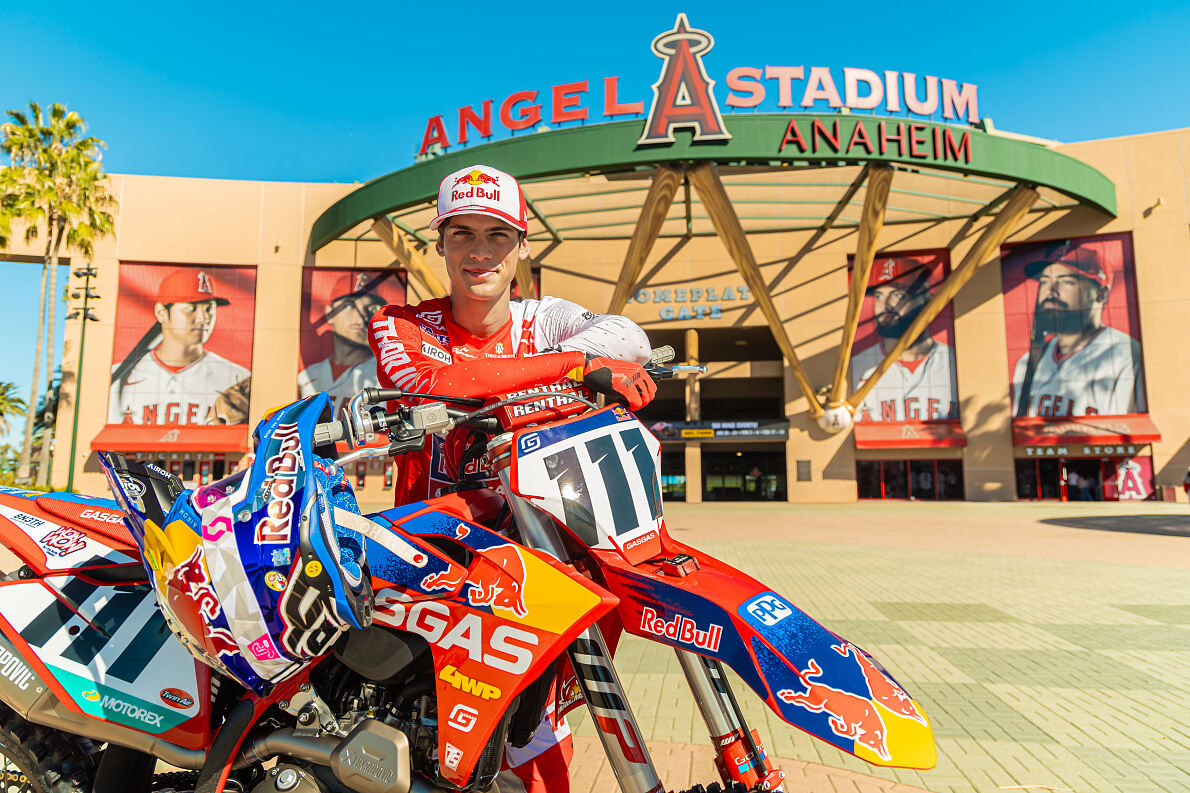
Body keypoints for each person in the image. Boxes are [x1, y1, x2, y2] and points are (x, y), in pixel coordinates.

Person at [367, 164, 654, 793]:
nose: (479, 252)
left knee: (538, 748)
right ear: (439, 245)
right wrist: (578, 366)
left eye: (497, 234)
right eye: (462, 233)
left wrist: (591, 362)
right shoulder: (401, 324)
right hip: (426, 564)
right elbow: (430, 385)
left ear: (522, 246)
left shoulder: (547, 318)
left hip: (535, 565)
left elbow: (629, 337)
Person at [1011, 240, 1144, 417]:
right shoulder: (1027, 363)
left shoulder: (1126, 355)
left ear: (1101, 294)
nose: (1050, 291)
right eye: (1044, 281)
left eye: (1066, 281)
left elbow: (1132, 433)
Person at [109, 268, 251, 425]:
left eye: (209, 309)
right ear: (161, 312)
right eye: (191, 308)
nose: (203, 318)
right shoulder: (118, 378)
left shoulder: (237, 379)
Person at [850, 258, 958, 422]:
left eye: (897, 295)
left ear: (927, 299)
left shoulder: (954, 363)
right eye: (879, 296)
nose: (885, 305)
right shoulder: (856, 368)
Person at [298, 272, 387, 415]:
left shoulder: (385, 376)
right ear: (329, 313)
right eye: (350, 306)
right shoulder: (306, 376)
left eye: (370, 309)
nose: (361, 318)